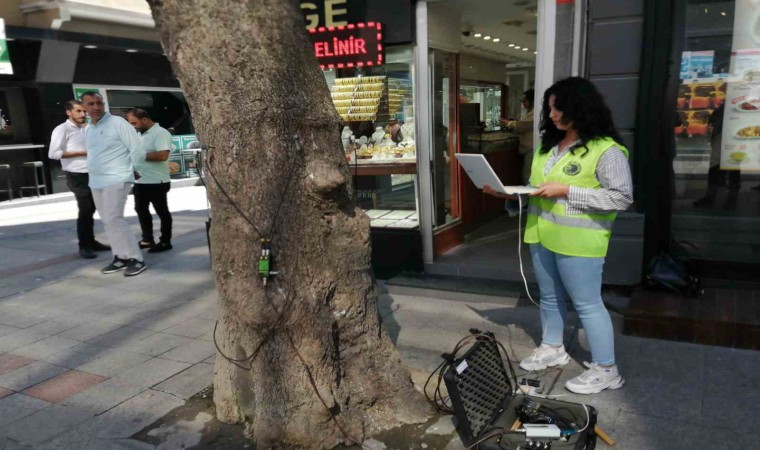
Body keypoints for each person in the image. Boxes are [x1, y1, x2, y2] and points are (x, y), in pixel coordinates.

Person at [485, 77, 633, 394]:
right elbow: (540, 189)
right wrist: (509, 195)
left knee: (588, 304)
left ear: (580, 107)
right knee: (549, 297)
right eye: (549, 108)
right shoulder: (548, 147)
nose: (552, 115)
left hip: (580, 241)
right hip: (541, 234)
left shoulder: (607, 151)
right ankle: (553, 347)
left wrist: (568, 190)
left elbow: (621, 198)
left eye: (558, 108)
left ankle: (607, 369)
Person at [80, 91, 147, 276]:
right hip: (96, 180)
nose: (95, 107)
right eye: (90, 104)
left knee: (114, 218)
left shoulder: (118, 123)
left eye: (98, 103)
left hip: (117, 178)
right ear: (84, 107)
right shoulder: (88, 128)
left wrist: (135, 170)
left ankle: (136, 258)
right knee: (107, 220)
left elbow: (137, 148)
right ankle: (120, 257)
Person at [48, 100, 110, 259]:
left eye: (84, 111)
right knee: (85, 210)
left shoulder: (88, 128)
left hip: (94, 173)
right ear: (69, 112)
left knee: (93, 208)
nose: (83, 114)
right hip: (76, 175)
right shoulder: (62, 129)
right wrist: (82, 153)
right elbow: (53, 153)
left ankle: (91, 242)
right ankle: (84, 246)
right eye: (78, 111)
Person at [125, 108, 174, 253]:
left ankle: (165, 241)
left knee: (162, 212)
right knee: (141, 210)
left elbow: (162, 156)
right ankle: (147, 239)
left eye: (134, 122)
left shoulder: (160, 133)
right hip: (141, 181)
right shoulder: (140, 134)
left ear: (145, 119)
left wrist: (138, 155)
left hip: (157, 182)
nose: (133, 126)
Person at [693, 103, 741, 208]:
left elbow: (713, 120)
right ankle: (717, 196)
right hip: (723, 137)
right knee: (717, 167)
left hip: (732, 138)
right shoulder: (726, 106)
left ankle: (729, 197)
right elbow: (713, 119)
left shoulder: (729, 106)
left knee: (730, 169)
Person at [501, 89, 535, 185]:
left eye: (524, 100)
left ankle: (528, 199)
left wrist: (509, 123)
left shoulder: (535, 112)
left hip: (531, 148)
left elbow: (521, 127)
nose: (523, 103)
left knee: (527, 176)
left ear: (531, 100)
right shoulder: (529, 113)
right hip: (528, 148)